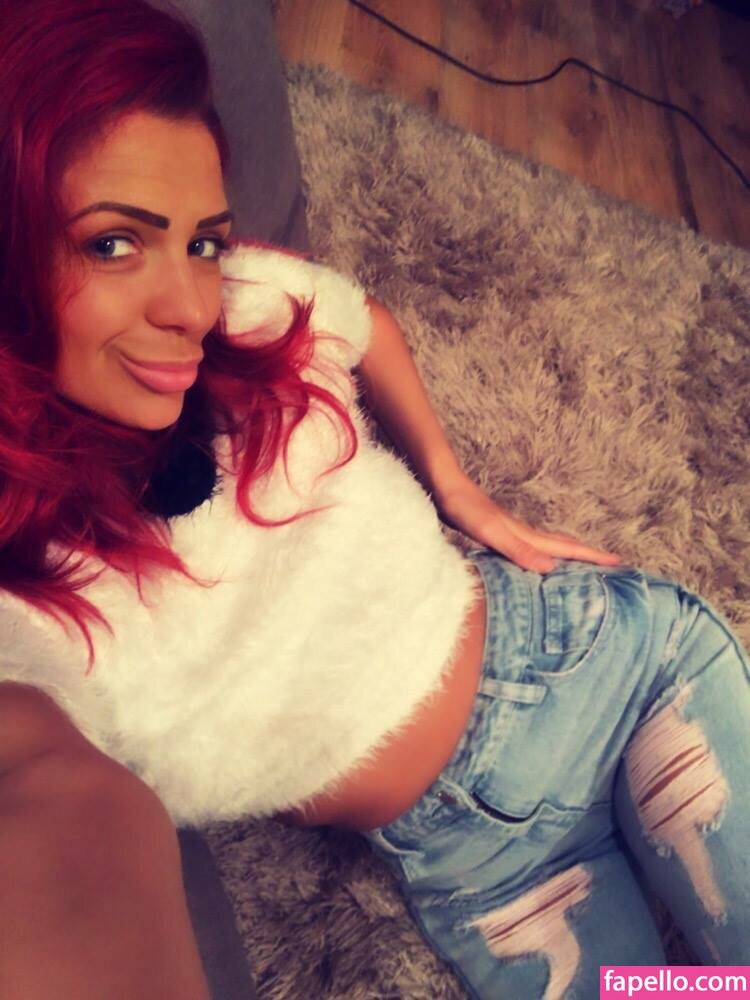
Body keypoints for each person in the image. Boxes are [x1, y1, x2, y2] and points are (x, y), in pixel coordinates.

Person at [0, 3, 747, 1000]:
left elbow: (362, 319)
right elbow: (49, 801)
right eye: (113, 244)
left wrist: (457, 486)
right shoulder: (26, 606)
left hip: (608, 671)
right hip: (483, 869)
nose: (188, 306)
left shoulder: (244, 307)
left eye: (201, 243)